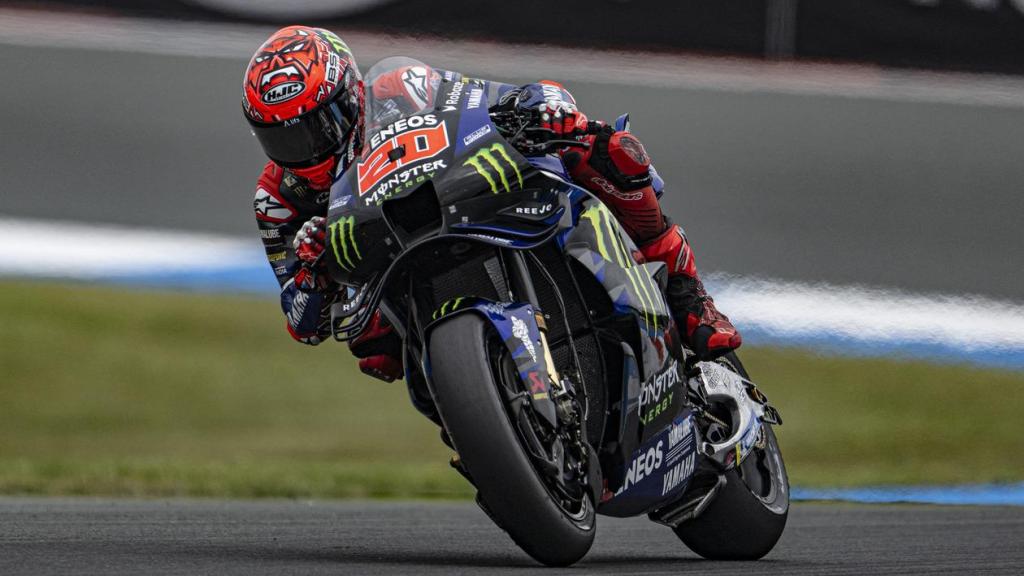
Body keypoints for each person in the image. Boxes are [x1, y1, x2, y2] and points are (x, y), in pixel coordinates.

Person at [243, 26, 741, 383]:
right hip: (390, 274)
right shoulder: (277, 199)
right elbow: (302, 323)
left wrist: (544, 106)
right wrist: (312, 273)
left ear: (350, 94)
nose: (305, 150)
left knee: (608, 151)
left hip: (461, 199)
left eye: (317, 126)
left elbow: (491, 98)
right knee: (373, 350)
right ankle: (478, 426)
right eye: (281, 139)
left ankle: (688, 296)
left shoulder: (398, 88)